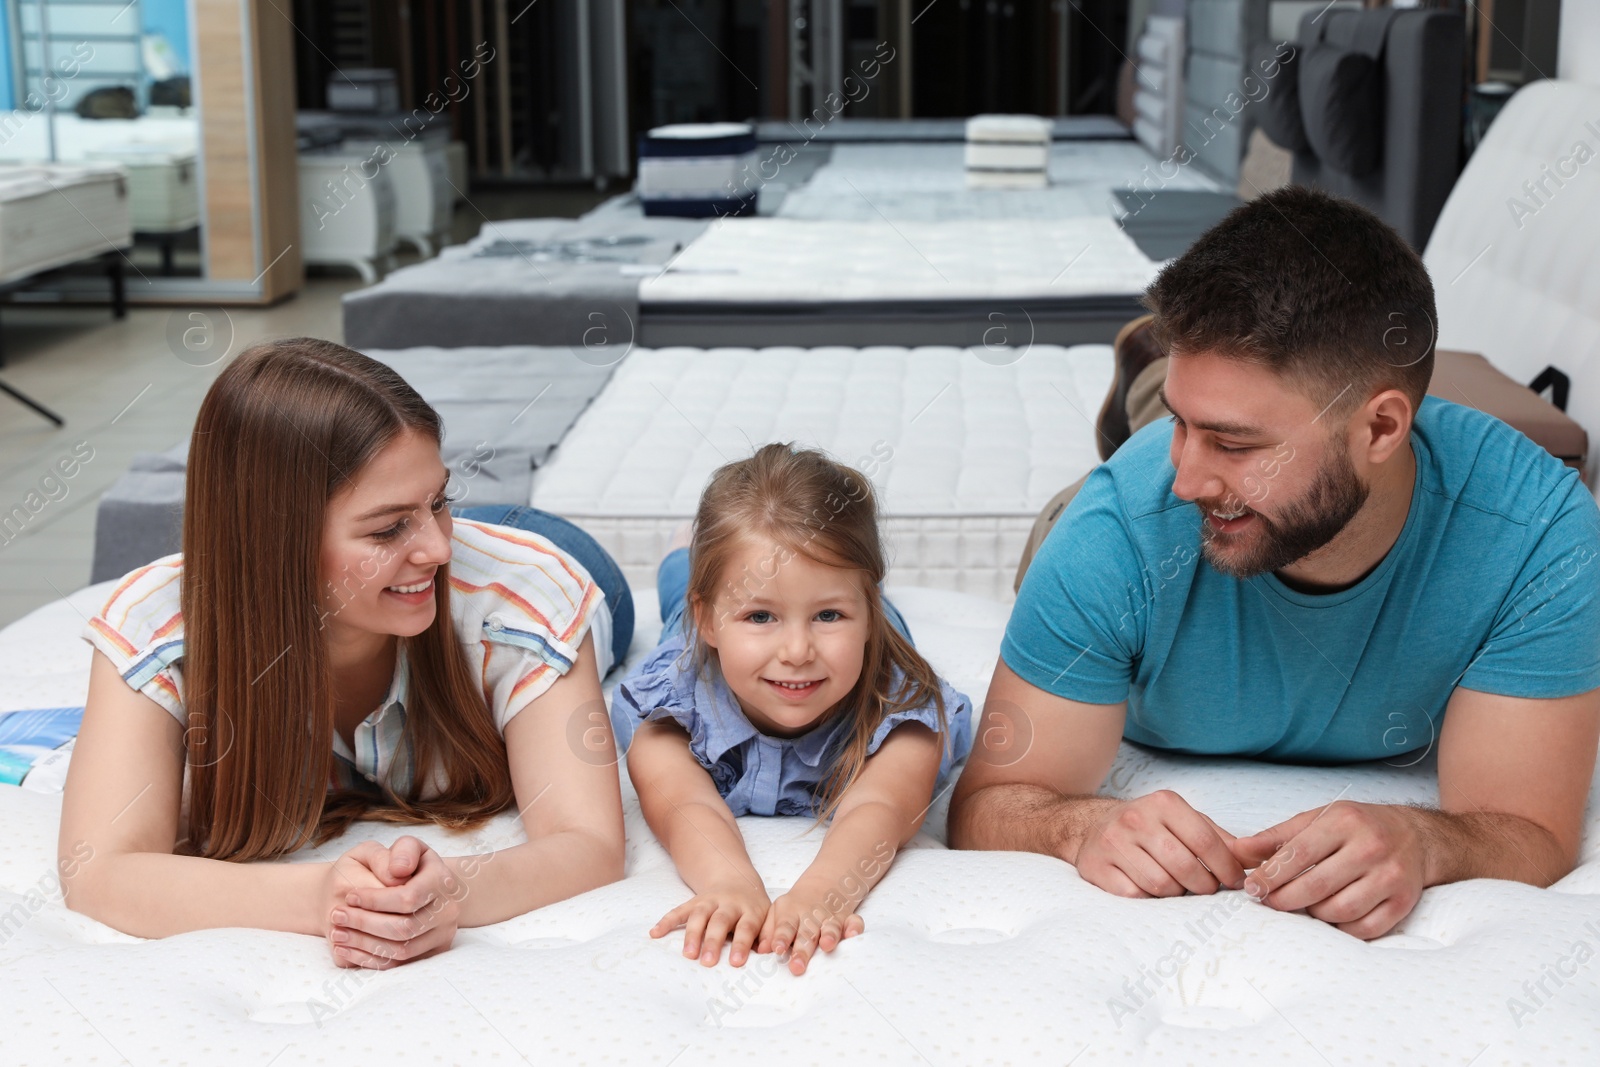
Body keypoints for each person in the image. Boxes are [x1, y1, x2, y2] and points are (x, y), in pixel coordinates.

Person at [950, 187, 1600, 939]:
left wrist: (1427, 839)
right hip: (1110, 528)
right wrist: (1075, 827)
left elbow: (1530, 829)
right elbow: (989, 803)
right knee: (1113, 502)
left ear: (1382, 427)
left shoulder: (1541, 537)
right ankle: (1152, 387)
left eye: (1234, 442)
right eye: (1184, 428)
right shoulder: (1118, 528)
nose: (1186, 476)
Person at [59, 337, 634, 969]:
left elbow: (591, 842)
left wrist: (450, 894)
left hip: (545, 545)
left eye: (440, 500)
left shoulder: (525, 595)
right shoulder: (156, 629)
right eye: (387, 528)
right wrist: (324, 896)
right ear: (275, 541)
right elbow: (99, 872)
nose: (437, 548)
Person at [611, 444, 973, 975]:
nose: (798, 651)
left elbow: (883, 806)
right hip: (690, 637)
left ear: (863, 613)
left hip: (870, 634)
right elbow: (683, 803)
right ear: (710, 622)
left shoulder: (901, 713)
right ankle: (681, 560)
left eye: (828, 614)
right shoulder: (669, 709)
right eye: (761, 616)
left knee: (842, 606)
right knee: (677, 590)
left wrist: (824, 892)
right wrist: (728, 883)